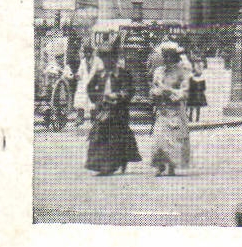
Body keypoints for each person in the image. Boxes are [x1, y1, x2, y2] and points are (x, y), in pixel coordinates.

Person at [84, 44, 141, 175]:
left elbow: (129, 89)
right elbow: (90, 87)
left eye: (109, 58)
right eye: (103, 58)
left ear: (114, 59)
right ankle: (101, 165)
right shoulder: (100, 74)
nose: (106, 62)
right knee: (100, 135)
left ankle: (113, 164)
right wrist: (97, 100)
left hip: (118, 110)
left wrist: (119, 96)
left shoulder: (123, 73)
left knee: (116, 136)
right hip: (103, 109)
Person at [148, 41, 193, 177]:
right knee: (159, 138)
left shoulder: (182, 72)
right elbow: (153, 87)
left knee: (173, 139)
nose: (167, 59)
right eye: (165, 56)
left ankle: (172, 166)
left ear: (175, 56)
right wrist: (155, 93)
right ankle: (160, 165)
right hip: (162, 110)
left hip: (175, 111)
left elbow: (185, 92)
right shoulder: (158, 71)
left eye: (169, 56)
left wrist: (169, 92)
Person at [185, 56, 208, 122]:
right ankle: (191, 117)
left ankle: (195, 118)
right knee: (193, 105)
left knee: (197, 105)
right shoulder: (192, 77)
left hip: (196, 90)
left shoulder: (200, 77)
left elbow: (203, 88)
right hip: (194, 90)